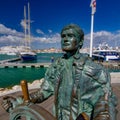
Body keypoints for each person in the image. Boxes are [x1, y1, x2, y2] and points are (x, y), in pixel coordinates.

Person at [2, 24, 117, 120]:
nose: (65, 39)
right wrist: (19, 100)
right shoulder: (56, 67)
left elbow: (105, 102)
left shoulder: (95, 70)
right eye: (63, 36)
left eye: (70, 36)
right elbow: (43, 92)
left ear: (80, 42)